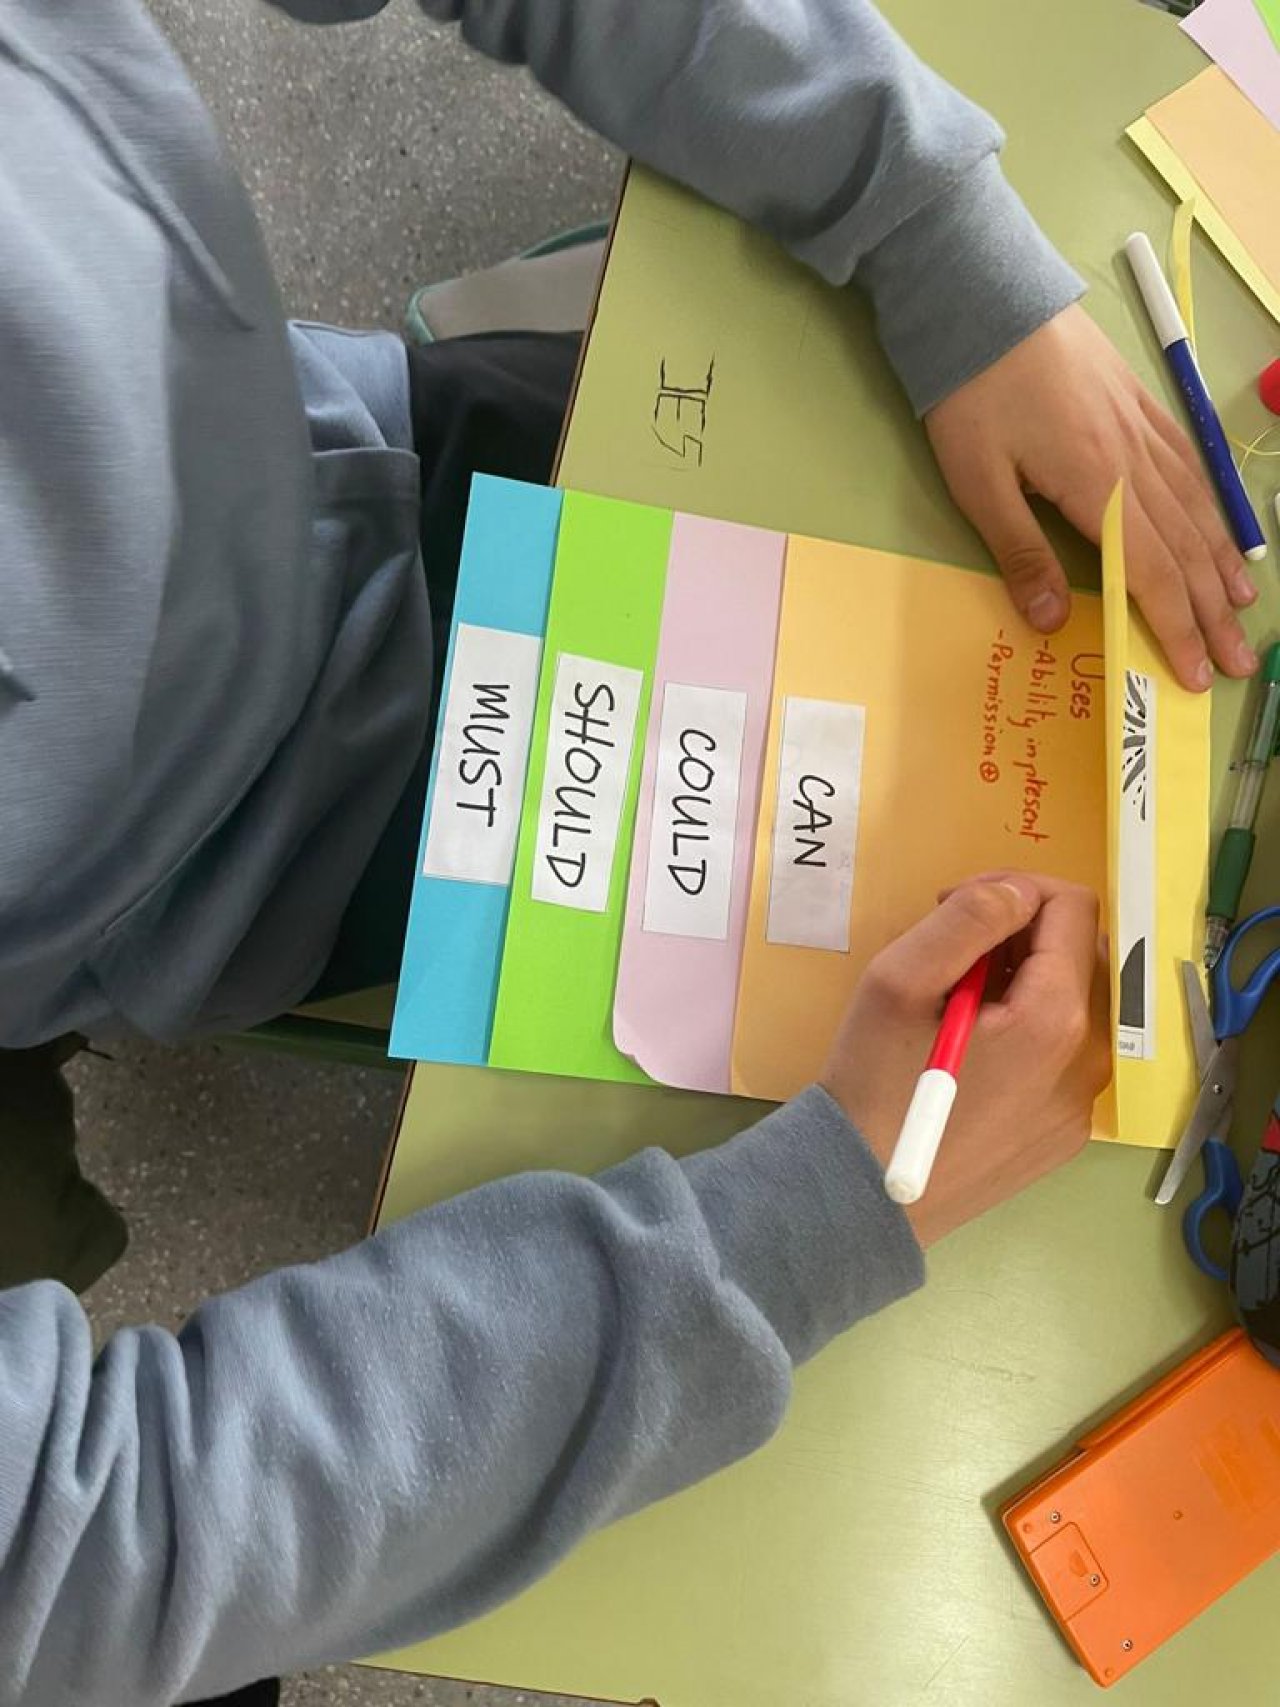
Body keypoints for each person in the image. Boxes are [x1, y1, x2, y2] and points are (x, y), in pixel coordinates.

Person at [0, 0, 1245, 1701]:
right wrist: (803, 1226)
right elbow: (90, 1545)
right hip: (251, 853)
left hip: (347, 465)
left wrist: (928, 228)